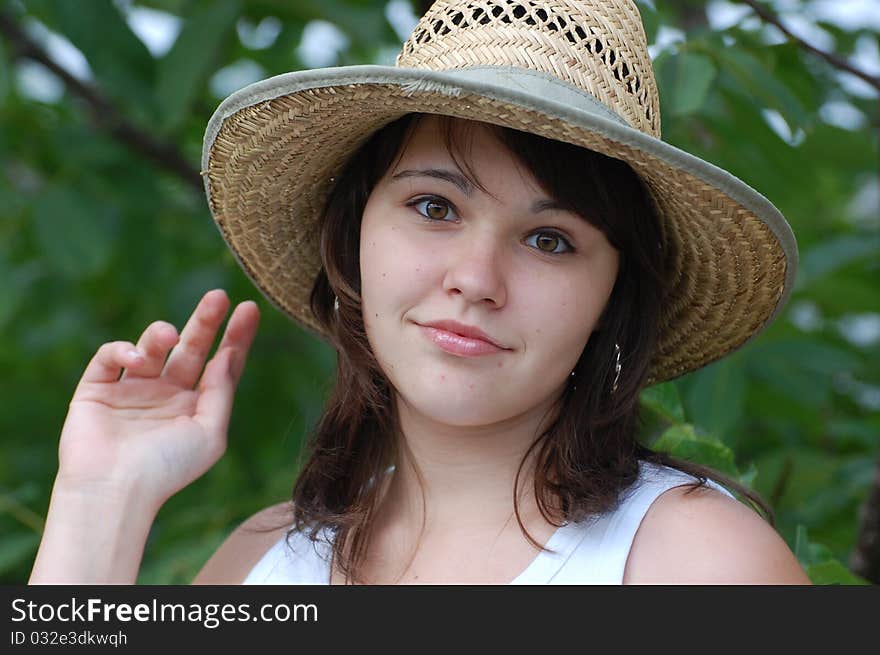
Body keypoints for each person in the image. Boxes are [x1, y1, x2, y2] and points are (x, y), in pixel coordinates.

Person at [29, 0, 810, 585]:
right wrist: (104, 500)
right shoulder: (259, 563)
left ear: (614, 293)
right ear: (352, 235)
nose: (474, 278)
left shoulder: (694, 565)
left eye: (551, 239)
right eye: (435, 206)